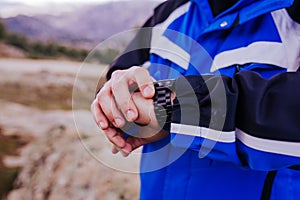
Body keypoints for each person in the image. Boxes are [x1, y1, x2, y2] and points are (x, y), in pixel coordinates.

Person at [91, 0, 300, 199]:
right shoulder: (169, 12)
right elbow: (120, 73)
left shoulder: (292, 17)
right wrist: (117, 106)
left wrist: (169, 108)